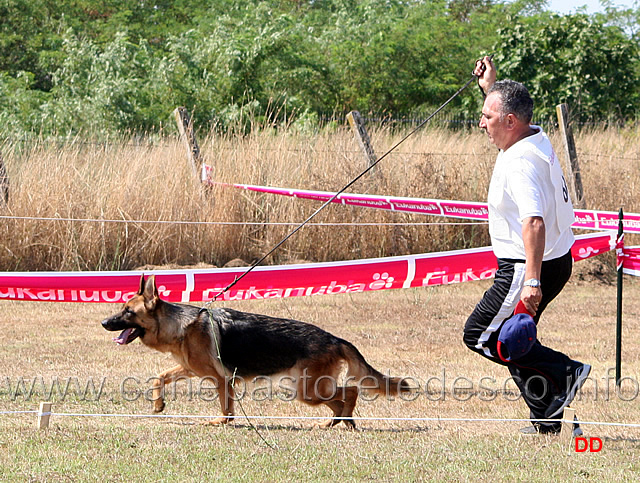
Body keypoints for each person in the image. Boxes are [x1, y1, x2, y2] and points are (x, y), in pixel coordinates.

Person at [463, 56, 591, 434]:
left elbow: (533, 222)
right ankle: (547, 417)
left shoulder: (519, 162)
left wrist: (531, 282)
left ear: (510, 122)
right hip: (556, 259)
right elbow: (509, 109)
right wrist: (492, 88)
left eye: (487, 117)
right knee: (515, 337)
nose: (481, 123)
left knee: (483, 336)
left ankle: (565, 373)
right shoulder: (533, 133)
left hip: (526, 266)